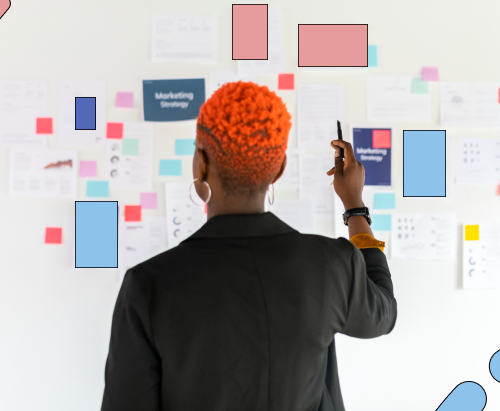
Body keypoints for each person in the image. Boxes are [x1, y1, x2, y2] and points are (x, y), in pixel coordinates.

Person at [100, 81, 397, 411]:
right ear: (280, 169)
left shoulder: (147, 286)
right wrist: (354, 205)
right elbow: (383, 314)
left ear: (199, 164)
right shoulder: (331, 265)